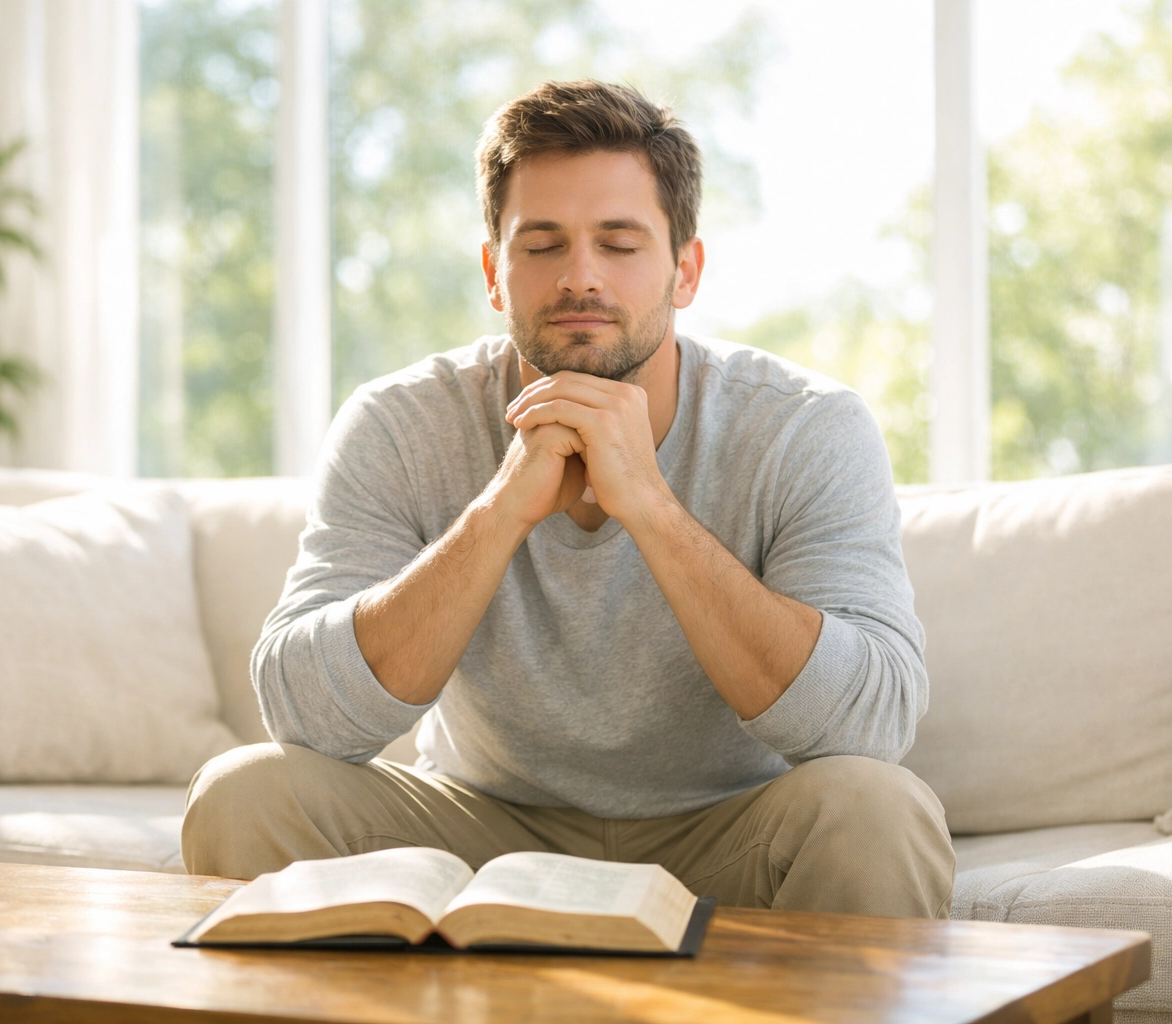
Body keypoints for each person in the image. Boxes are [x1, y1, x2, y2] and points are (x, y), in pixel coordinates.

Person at [182, 79, 954, 918]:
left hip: (728, 833)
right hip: (478, 827)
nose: (579, 278)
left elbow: (872, 726)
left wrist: (650, 508)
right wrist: (501, 510)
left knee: (881, 811)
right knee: (244, 793)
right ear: (493, 270)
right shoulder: (400, 421)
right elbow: (305, 714)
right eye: (541, 245)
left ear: (684, 270)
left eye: (620, 244)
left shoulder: (807, 427)